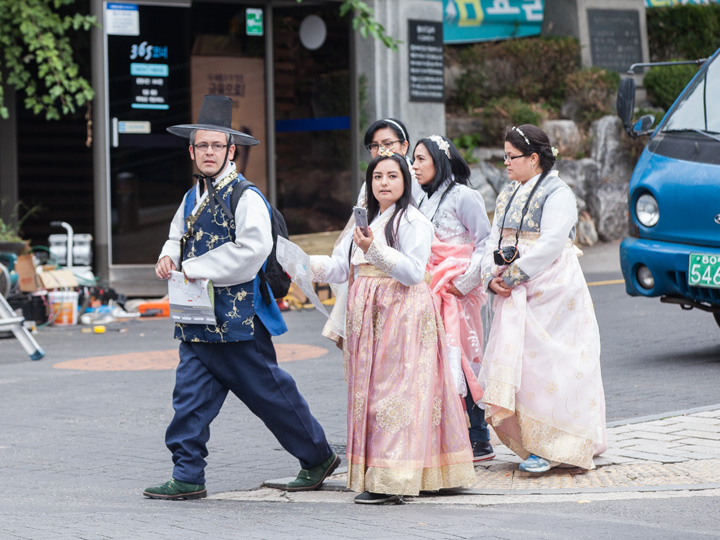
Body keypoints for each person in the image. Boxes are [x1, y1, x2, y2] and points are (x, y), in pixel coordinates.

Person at [144, 95, 339, 500]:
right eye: (202, 145)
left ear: (231, 151)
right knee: (189, 399)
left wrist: (193, 267)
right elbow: (176, 236)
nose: (209, 152)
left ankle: (318, 457)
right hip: (197, 318)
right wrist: (168, 256)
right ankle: (187, 474)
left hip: (239, 321)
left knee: (271, 396)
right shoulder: (191, 196)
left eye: (217, 145)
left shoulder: (246, 196)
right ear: (192, 151)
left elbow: (252, 253)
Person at [309, 150, 476, 504]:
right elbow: (340, 267)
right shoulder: (364, 220)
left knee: (396, 392)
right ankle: (417, 470)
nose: (384, 183)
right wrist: (300, 263)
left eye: (392, 176)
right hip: (369, 314)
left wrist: (374, 249)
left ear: (405, 181)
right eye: (377, 177)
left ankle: (392, 478)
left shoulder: (414, 221)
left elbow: (414, 272)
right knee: (371, 392)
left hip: (402, 313)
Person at [479, 124, 607, 474]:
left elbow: (551, 244)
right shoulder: (508, 192)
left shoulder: (558, 192)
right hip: (516, 287)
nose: (506, 162)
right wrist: (491, 275)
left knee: (554, 364)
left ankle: (560, 444)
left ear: (533, 158)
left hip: (553, 288)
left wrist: (512, 275)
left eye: (512, 156)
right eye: (504, 156)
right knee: (522, 365)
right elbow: (493, 238)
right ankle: (533, 443)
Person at [412, 134, 495, 463]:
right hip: (430, 288)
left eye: (420, 159)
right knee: (437, 359)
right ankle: (450, 435)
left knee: (463, 358)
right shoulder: (421, 199)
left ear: (439, 160)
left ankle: (480, 438)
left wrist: (462, 283)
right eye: (414, 160)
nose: (414, 166)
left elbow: (485, 242)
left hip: (457, 291)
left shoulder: (464, 196)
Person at [323, 117, 417, 346]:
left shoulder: (417, 181)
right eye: (374, 146)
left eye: (387, 143)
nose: (381, 150)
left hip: (400, 282)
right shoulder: (369, 184)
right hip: (366, 278)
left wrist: (374, 249)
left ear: (404, 146)